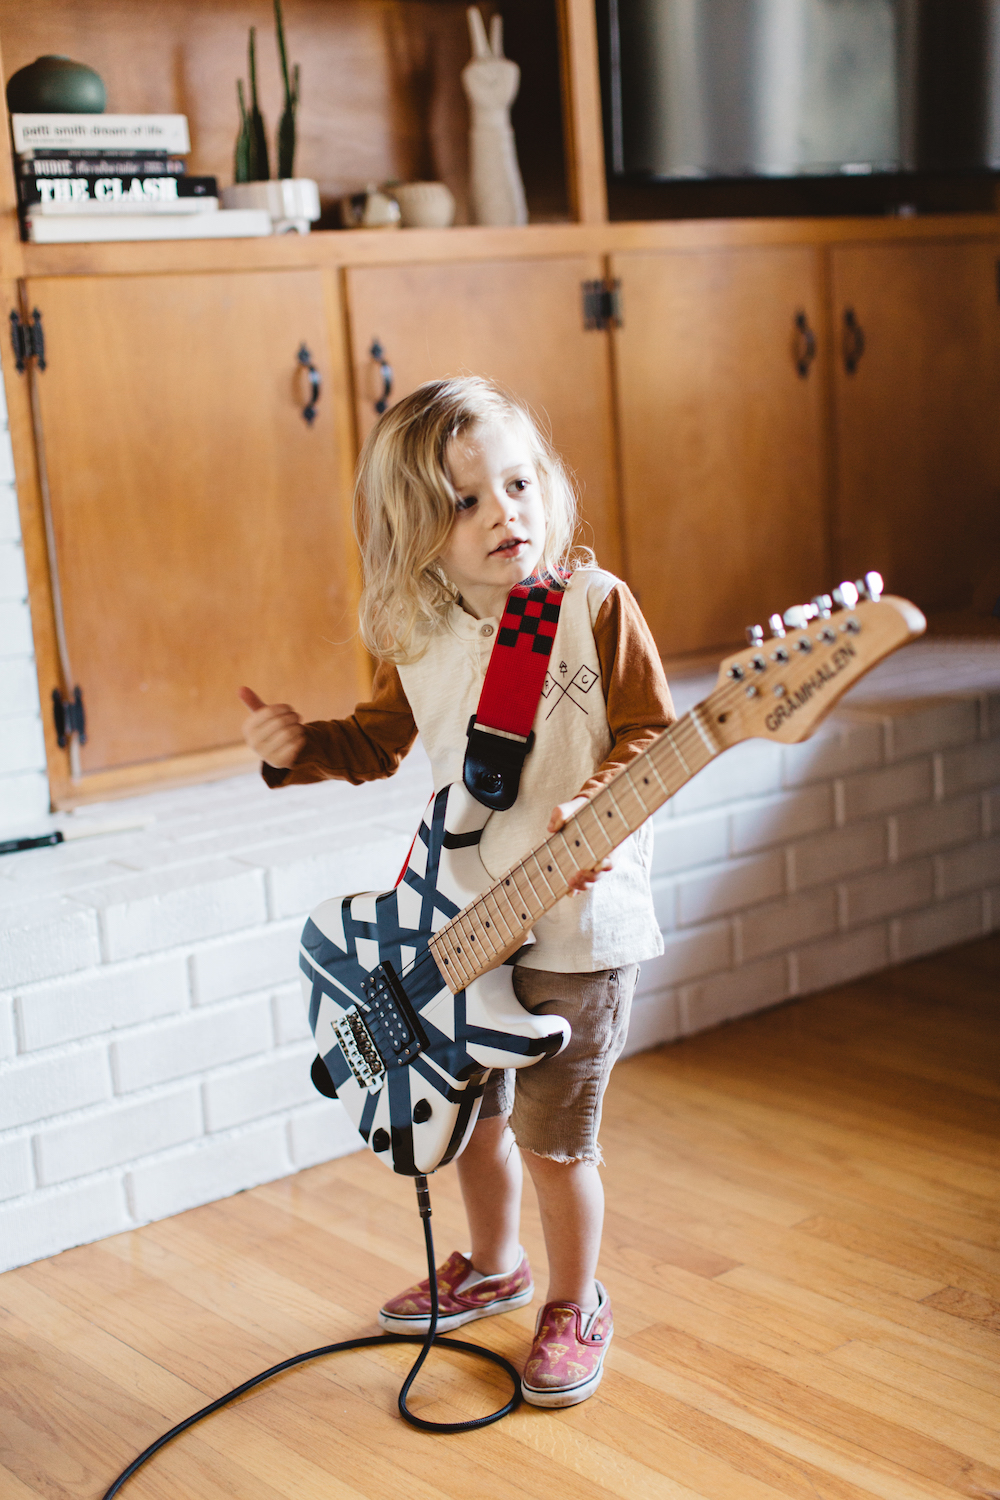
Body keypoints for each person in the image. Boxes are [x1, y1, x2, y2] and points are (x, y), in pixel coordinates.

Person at [239, 377, 674, 1408]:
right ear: (415, 534)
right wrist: (296, 749)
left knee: (554, 1142)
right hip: (464, 924)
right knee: (471, 1118)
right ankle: (494, 1264)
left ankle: (573, 1302)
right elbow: (375, 742)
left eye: (518, 485)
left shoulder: (592, 608)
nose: (503, 514)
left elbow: (653, 733)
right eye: (465, 502)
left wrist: (604, 806)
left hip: (578, 925)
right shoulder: (418, 633)